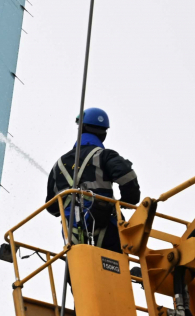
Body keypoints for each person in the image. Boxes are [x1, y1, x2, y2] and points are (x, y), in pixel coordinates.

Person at [45, 107, 140, 253]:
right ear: (104, 134)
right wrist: (129, 200)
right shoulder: (105, 156)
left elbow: (51, 207)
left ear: (81, 129)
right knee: (114, 270)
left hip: (73, 235)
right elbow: (127, 178)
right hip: (106, 227)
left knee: (79, 271)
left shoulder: (58, 165)